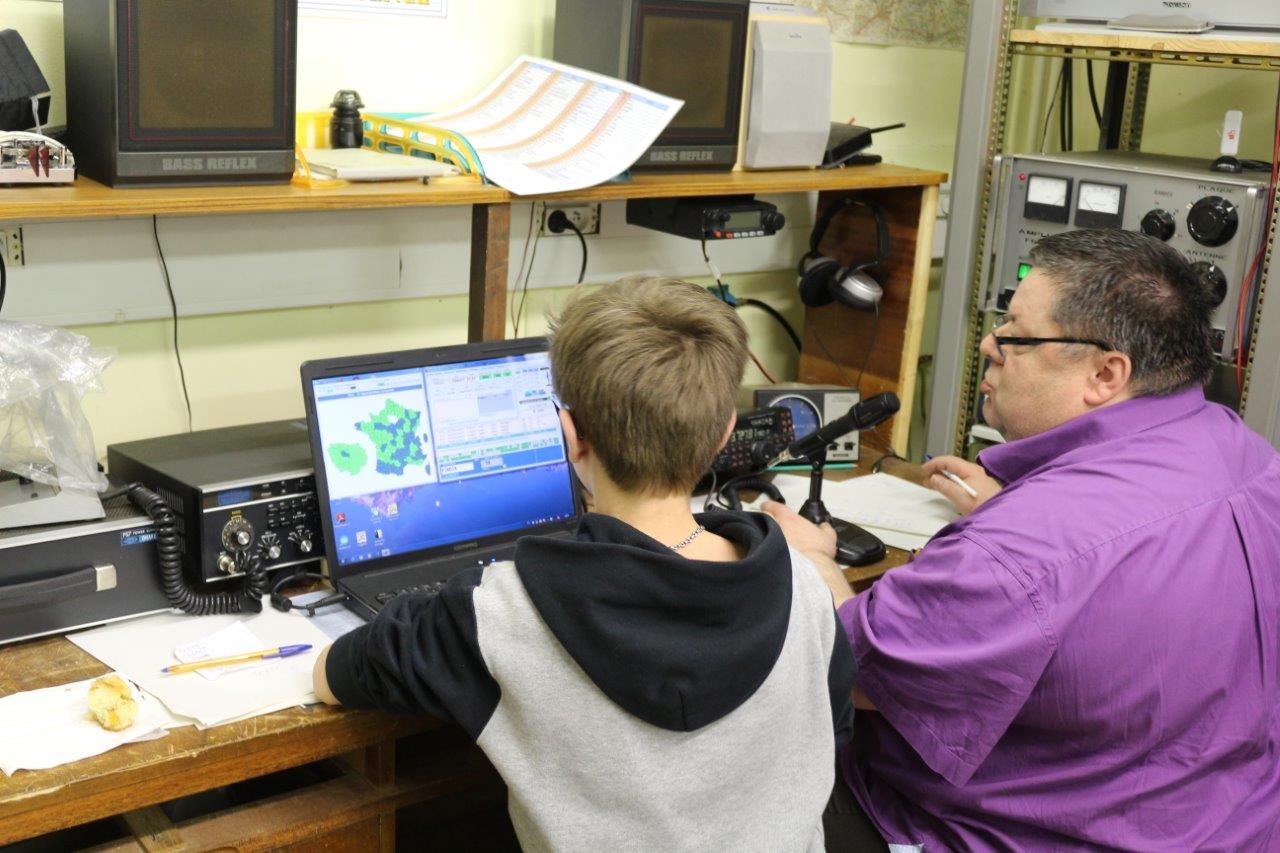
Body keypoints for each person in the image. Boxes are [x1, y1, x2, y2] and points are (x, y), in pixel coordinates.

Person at [765, 229, 1280, 850]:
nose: (990, 343)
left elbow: (852, 674)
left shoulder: (1018, 552)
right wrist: (1021, 505)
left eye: (1016, 334)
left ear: (1106, 372)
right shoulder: (1254, 461)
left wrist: (813, 561)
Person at [313, 275, 857, 851]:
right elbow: (833, 734)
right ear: (724, 432)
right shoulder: (805, 587)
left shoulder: (495, 614)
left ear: (571, 436)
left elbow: (334, 675)